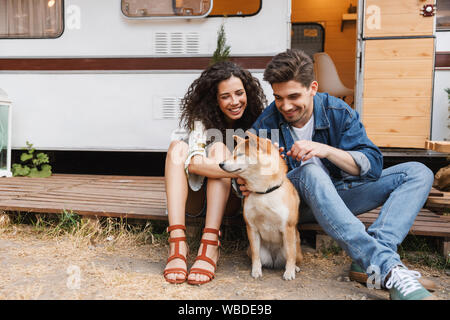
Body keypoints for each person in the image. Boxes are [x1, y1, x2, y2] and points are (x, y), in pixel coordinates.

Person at [238, 49, 436, 300]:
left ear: (313, 87)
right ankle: (389, 269)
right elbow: (243, 171)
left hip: (341, 195)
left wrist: (327, 151)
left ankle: (372, 255)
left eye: (294, 96)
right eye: (278, 97)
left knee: (418, 171)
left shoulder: (337, 111)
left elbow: (372, 164)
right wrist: (248, 181)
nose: (285, 106)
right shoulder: (267, 123)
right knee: (309, 170)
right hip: (297, 203)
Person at [163, 61, 266, 285]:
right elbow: (195, 166)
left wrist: (240, 173)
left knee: (220, 149)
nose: (235, 101)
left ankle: (210, 246)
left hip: (229, 203)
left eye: (239, 93)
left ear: (247, 92)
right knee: (177, 148)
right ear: (215, 99)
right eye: (225, 96)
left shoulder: (257, 122)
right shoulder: (201, 121)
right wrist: (242, 172)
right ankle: (177, 243)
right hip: (196, 200)